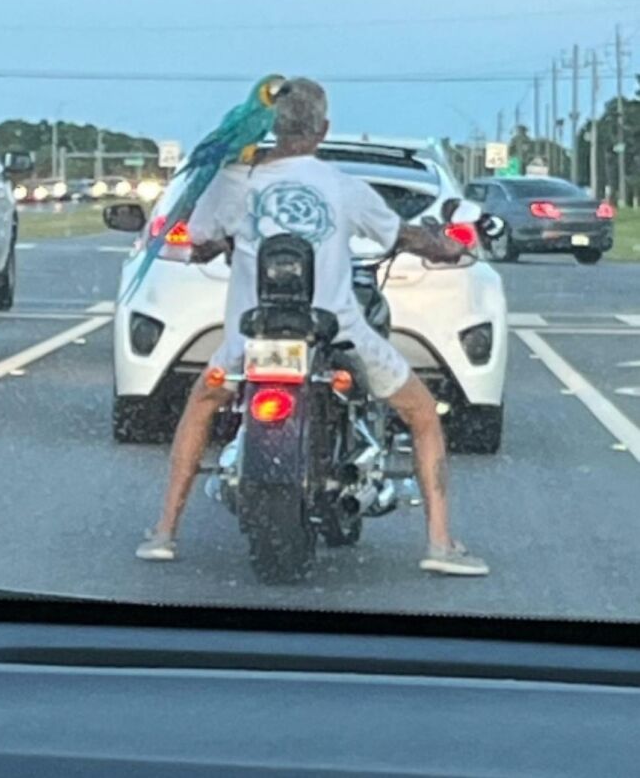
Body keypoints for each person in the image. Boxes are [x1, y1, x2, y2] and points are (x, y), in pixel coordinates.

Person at [136, 77, 489, 576]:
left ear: (270, 128)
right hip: (338, 333)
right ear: (323, 130)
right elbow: (403, 235)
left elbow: (196, 242)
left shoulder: (237, 181)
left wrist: (218, 244)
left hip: (250, 339)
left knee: (201, 405)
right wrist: (445, 245)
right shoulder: (343, 187)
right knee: (423, 413)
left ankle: (164, 531)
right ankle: (440, 544)